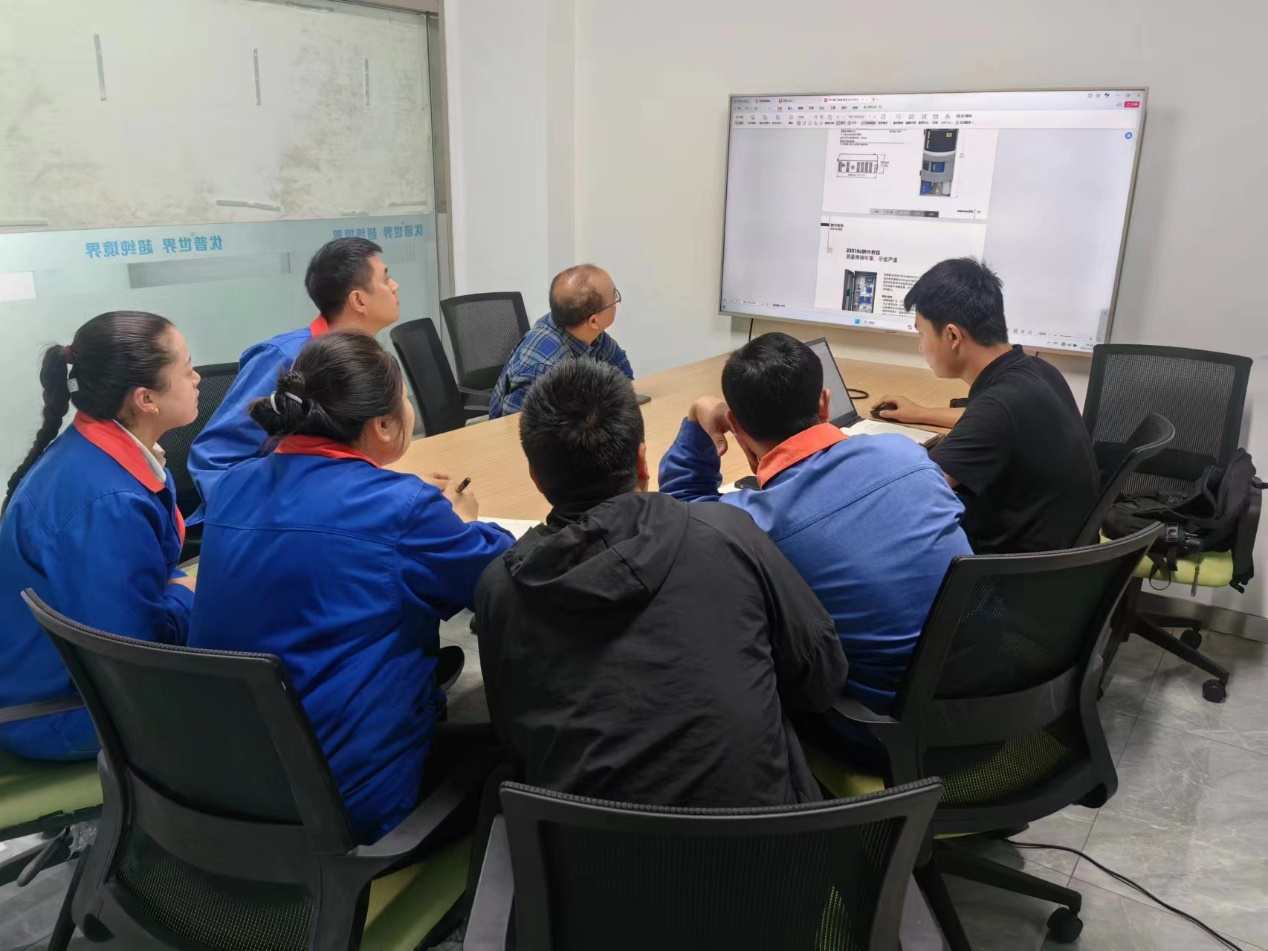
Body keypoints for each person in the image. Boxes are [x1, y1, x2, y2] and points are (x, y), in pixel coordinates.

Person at [475, 359, 849, 806]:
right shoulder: (728, 533)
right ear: (642, 462)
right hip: (768, 842)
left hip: (582, 849)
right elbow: (821, 676)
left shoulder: (501, 588)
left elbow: (515, 736)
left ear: (536, 479)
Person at [188, 331, 513, 844]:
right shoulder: (401, 509)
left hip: (224, 781)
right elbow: (500, 579)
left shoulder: (233, 485)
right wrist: (461, 523)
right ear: (382, 424)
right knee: (514, 760)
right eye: (404, 399)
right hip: (343, 809)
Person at [659, 332, 971, 716]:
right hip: (988, 680)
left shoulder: (752, 525)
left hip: (881, 721)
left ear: (736, 426)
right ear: (824, 403)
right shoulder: (907, 454)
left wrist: (698, 414)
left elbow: (681, 511)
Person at [0, 312, 200, 760]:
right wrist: (186, 594)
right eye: (187, 369)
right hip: (60, 711)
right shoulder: (106, 503)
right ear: (146, 399)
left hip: (68, 678)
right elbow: (135, 652)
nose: (197, 379)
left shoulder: (106, 452)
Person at [870, 258, 1098, 554]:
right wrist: (919, 413)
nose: (920, 346)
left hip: (1012, 570)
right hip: (1061, 554)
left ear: (952, 336)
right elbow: (989, 418)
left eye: (921, 333)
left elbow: (910, 493)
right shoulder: (1037, 371)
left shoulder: (998, 407)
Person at [187, 236, 400, 513]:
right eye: (386, 279)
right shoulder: (285, 357)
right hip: (274, 516)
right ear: (358, 300)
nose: (395, 286)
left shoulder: (367, 359)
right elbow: (214, 460)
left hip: (337, 500)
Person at [487, 264, 633, 418]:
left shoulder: (589, 332)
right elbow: (517, 427)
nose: (616, 301)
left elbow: (623, 375)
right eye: (614, 297)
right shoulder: (543, 370)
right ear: (594, 321)